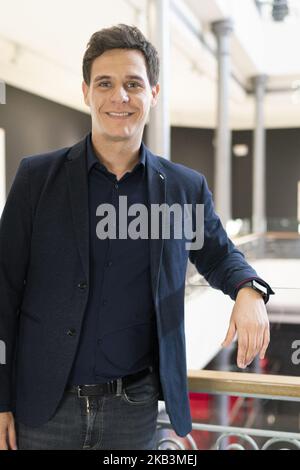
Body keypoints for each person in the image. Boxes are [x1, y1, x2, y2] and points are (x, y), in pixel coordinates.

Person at [0, 24, 274, 450]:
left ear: (154, 94)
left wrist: (249, 291)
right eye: (105, 84)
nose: (119, 97)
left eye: (133, 84)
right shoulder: (37, 179)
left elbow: (219, 255)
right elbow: (3, 290)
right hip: (43, 412)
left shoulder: (184, 188)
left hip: (133, 412)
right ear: (86, 92)